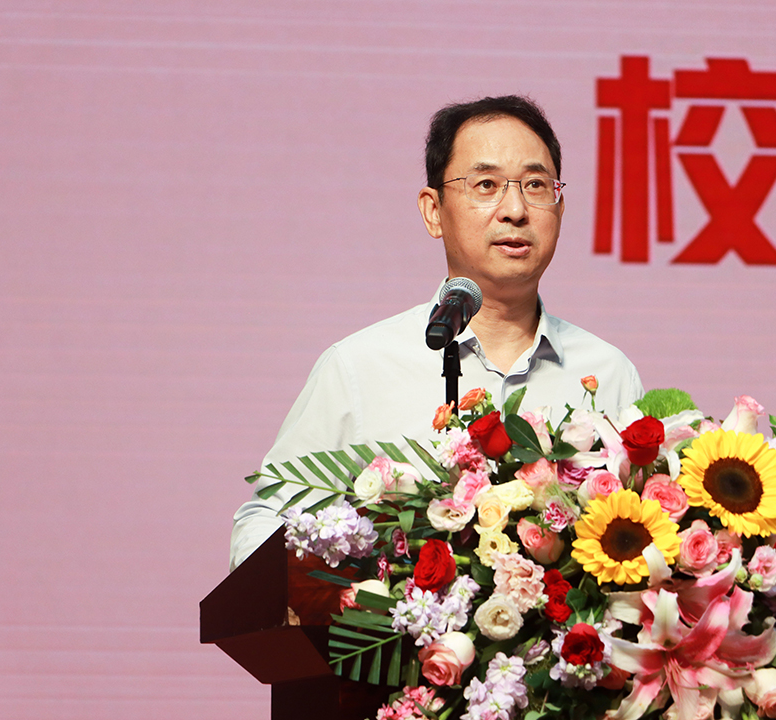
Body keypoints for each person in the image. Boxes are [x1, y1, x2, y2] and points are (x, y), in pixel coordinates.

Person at [230, 96, 643, 570]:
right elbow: (267, 518)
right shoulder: (360, 368)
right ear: (433, 211)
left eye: (535, 185)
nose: (515, 209)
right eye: (486, 185)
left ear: (560, 207)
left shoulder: (608, 373)